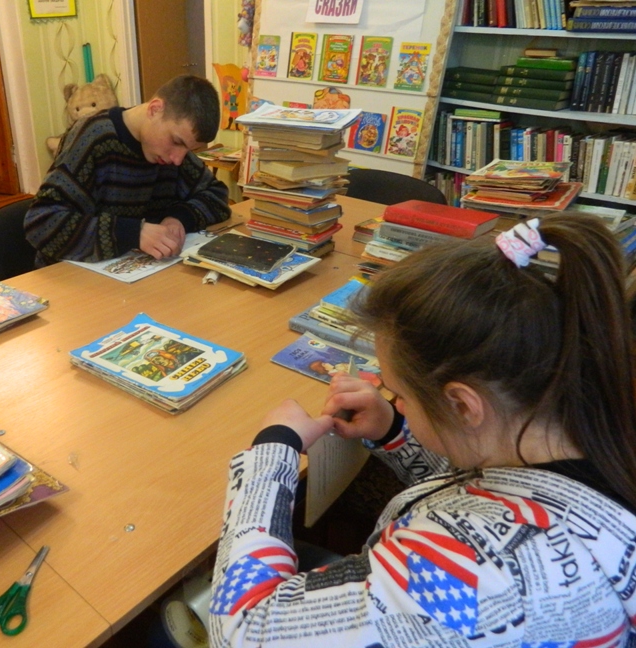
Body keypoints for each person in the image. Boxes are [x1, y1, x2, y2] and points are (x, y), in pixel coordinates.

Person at [209, 214, 636, 646]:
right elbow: (492, 495)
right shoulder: (588, 423)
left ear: (462, 405)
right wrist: (393, 429)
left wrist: (273, 450)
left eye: (400, 395)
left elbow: (242, 630)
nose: (396, 403)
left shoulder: (475, 572)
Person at [24, 75, 231, 266]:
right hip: (72, 278)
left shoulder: (172, 153)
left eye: (188, 150)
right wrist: (132, 234)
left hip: (137, 277)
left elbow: (216, 194)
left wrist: (179, 218)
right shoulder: (93, 138)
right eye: (176, 141)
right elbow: (41, 224)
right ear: (155, 109)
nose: (177, 159)